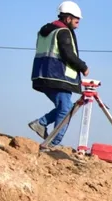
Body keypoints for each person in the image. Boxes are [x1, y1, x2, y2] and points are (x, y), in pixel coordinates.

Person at [29, 2, 89, 150]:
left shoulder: (47, 31)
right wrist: (83, 67)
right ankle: (52, 142)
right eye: (76, 19)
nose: (78, 23)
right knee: (66, 108)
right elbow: (68, 54)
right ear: (68, 18)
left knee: (65, 106)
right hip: (57, 76)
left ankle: (41, 124)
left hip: (42, 74)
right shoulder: (62, 32)